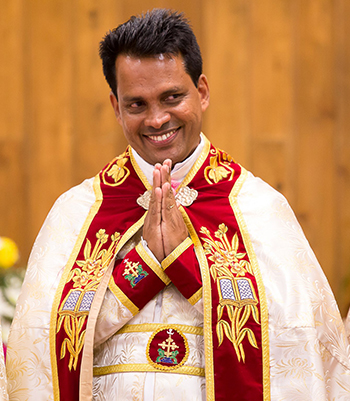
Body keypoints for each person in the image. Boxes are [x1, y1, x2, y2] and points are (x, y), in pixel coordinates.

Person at [6, 8, 350, 401]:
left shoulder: (257, 207)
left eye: (172, 97)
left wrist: (185, 264)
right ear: (116, 107)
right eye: (137, 104)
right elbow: (38, 350)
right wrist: (145, 265)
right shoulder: (78, 210)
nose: (157, 119)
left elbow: (296, 346)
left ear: (201, 92)